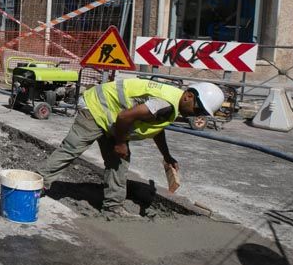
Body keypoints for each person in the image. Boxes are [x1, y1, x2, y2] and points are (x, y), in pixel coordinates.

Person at [37, 78, 224, 217]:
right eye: (197, 109)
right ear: (189, 96)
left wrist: (167, 156)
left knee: (119, 163)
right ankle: (35, 186)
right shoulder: (165, 103)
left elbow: (157, 129)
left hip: (112, 118)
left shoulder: (172, 104)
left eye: (201, 113)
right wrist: (119, 143)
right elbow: (125, 117)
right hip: (96, 108)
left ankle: (113, 207)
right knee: (72, 149)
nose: (196, 114)